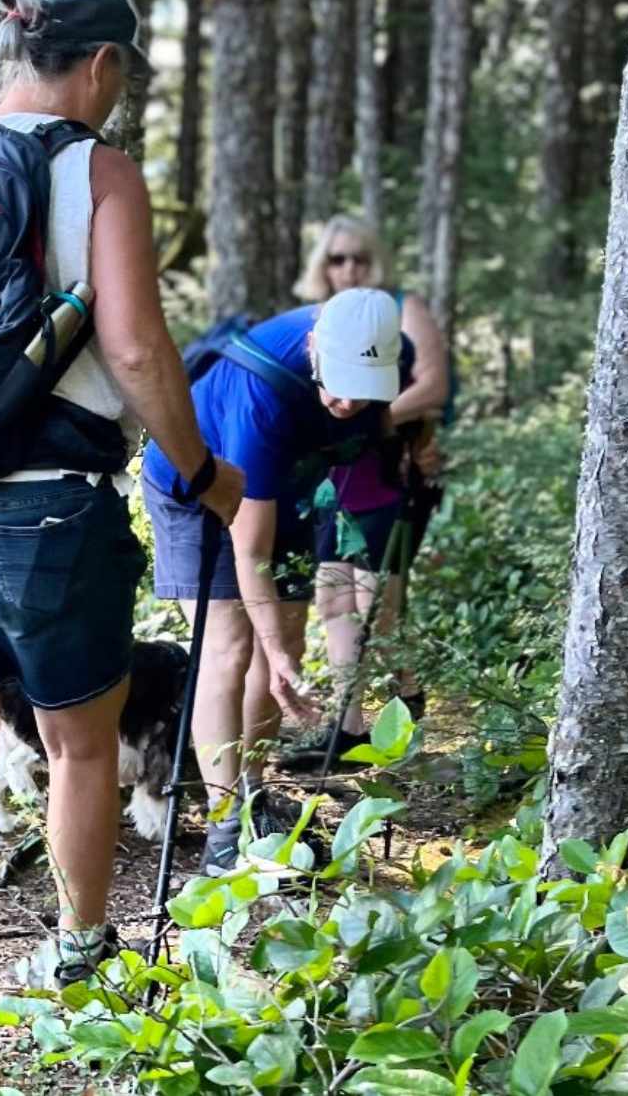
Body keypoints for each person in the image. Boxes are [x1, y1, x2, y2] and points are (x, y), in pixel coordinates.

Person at [0, 0, 244, 1096]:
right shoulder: (96, 168)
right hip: (41, 507)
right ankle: (84, 963)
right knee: (81, 747)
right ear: (99, 66)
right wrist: (200, 471)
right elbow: (132, 350)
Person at [140, 286, 410, 874]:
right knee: (231, 647)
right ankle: (222, 823)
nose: (344, 399)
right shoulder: (261, 391)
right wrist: (276, 653)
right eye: (336, 379)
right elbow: (250, 547)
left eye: (361, 388)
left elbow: (386, 437)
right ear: (314, 345)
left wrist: (283, 651)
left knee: (280, 644)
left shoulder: (391, 352)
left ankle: (253, 794)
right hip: (196, 485)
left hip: (286, 484)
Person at [277, 217, 448, 773]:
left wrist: (363, 421)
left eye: (357, 257)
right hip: (332, 479)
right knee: (333, 596)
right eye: (336, 258)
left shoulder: (404, 306)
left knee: (379, 601)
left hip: (390, 465)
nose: (347, 268)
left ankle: (406, 698)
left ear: (374, 259)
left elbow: (432, 384)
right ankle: (348, 729)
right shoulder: (315, 320)